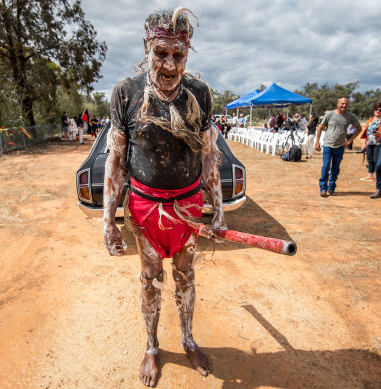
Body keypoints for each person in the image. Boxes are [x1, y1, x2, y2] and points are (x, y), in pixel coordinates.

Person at [103, 7, 224, 387]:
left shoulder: (200, 95)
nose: (170, 65)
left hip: (188, 208)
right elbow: (117, 159)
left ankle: (188, 339)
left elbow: (208, 156)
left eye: (178, 55)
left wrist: (217, 211)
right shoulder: (127, 92)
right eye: (161, 54)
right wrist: (108, 219)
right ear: (147, 48)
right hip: (145, 209)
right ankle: (153, 347)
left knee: (186, 276)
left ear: (188, 54)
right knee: (150, 278)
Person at [315, 97, 362, 197]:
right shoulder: (330, 114)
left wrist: (349, 140)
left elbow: (359, 128)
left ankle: (331, 188)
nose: (344, 105)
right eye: (342, 104)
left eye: (346, 104)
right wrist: (317, 142)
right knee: (326, 166)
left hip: (340, 146)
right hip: (328, 145)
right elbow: (320, 127)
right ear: (338, 104)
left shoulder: (350, 116)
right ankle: (323, 188)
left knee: (335, 168)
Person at [359, 102, 381, 181]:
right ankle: (370, 175)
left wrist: (380, 133)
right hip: (370, 143)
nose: (377, 111)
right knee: (369, 159)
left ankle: (378, 177)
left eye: (380, 110)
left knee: (376, 160)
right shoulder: (370, 120)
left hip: (379, 143)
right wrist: (364, 143)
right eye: (376, 109)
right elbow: (366, 132)